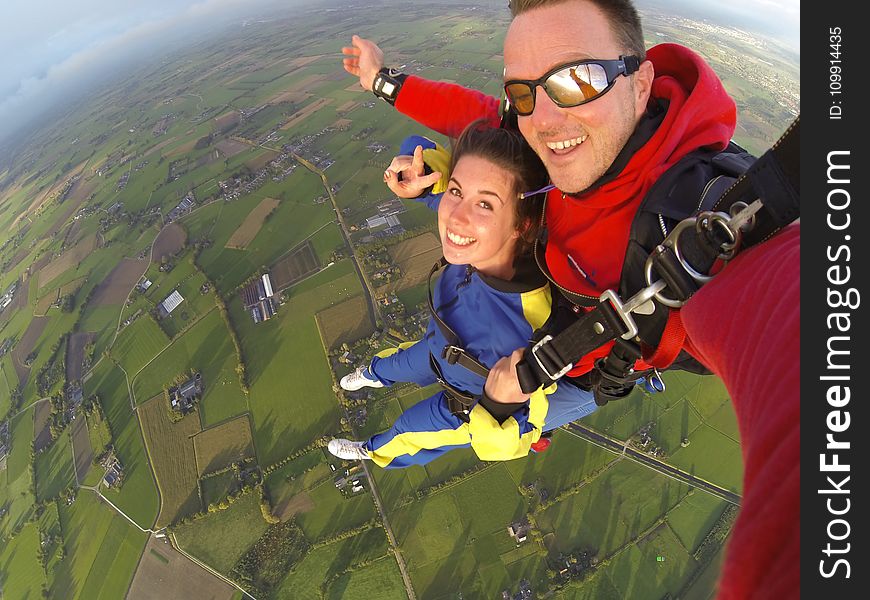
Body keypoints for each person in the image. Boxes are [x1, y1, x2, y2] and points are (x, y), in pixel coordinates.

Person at [341, 1, 800, 597]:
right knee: (434, 364)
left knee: (464, 428)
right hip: (520, 329)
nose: (545, 119)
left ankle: (383, 444)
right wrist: (384, 82)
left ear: (641, 81)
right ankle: (377, 378)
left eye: (577, 79)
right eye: (525, 92)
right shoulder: (560, 144)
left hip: (571, 380)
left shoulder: (700, 220)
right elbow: (480, 118)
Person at [328, 123, 605, 468]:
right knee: (390, 365)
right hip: (435, 348)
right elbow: (419, 149)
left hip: (465, 406)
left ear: (521, 225)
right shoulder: (483, 240)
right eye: (457, 192)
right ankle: (370, 373)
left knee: (405, 434)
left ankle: (369, 450)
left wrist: (497, 404)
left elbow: (515, 437)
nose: (455, 216)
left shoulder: (536, 326)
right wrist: (425, 170)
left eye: (485, 204)